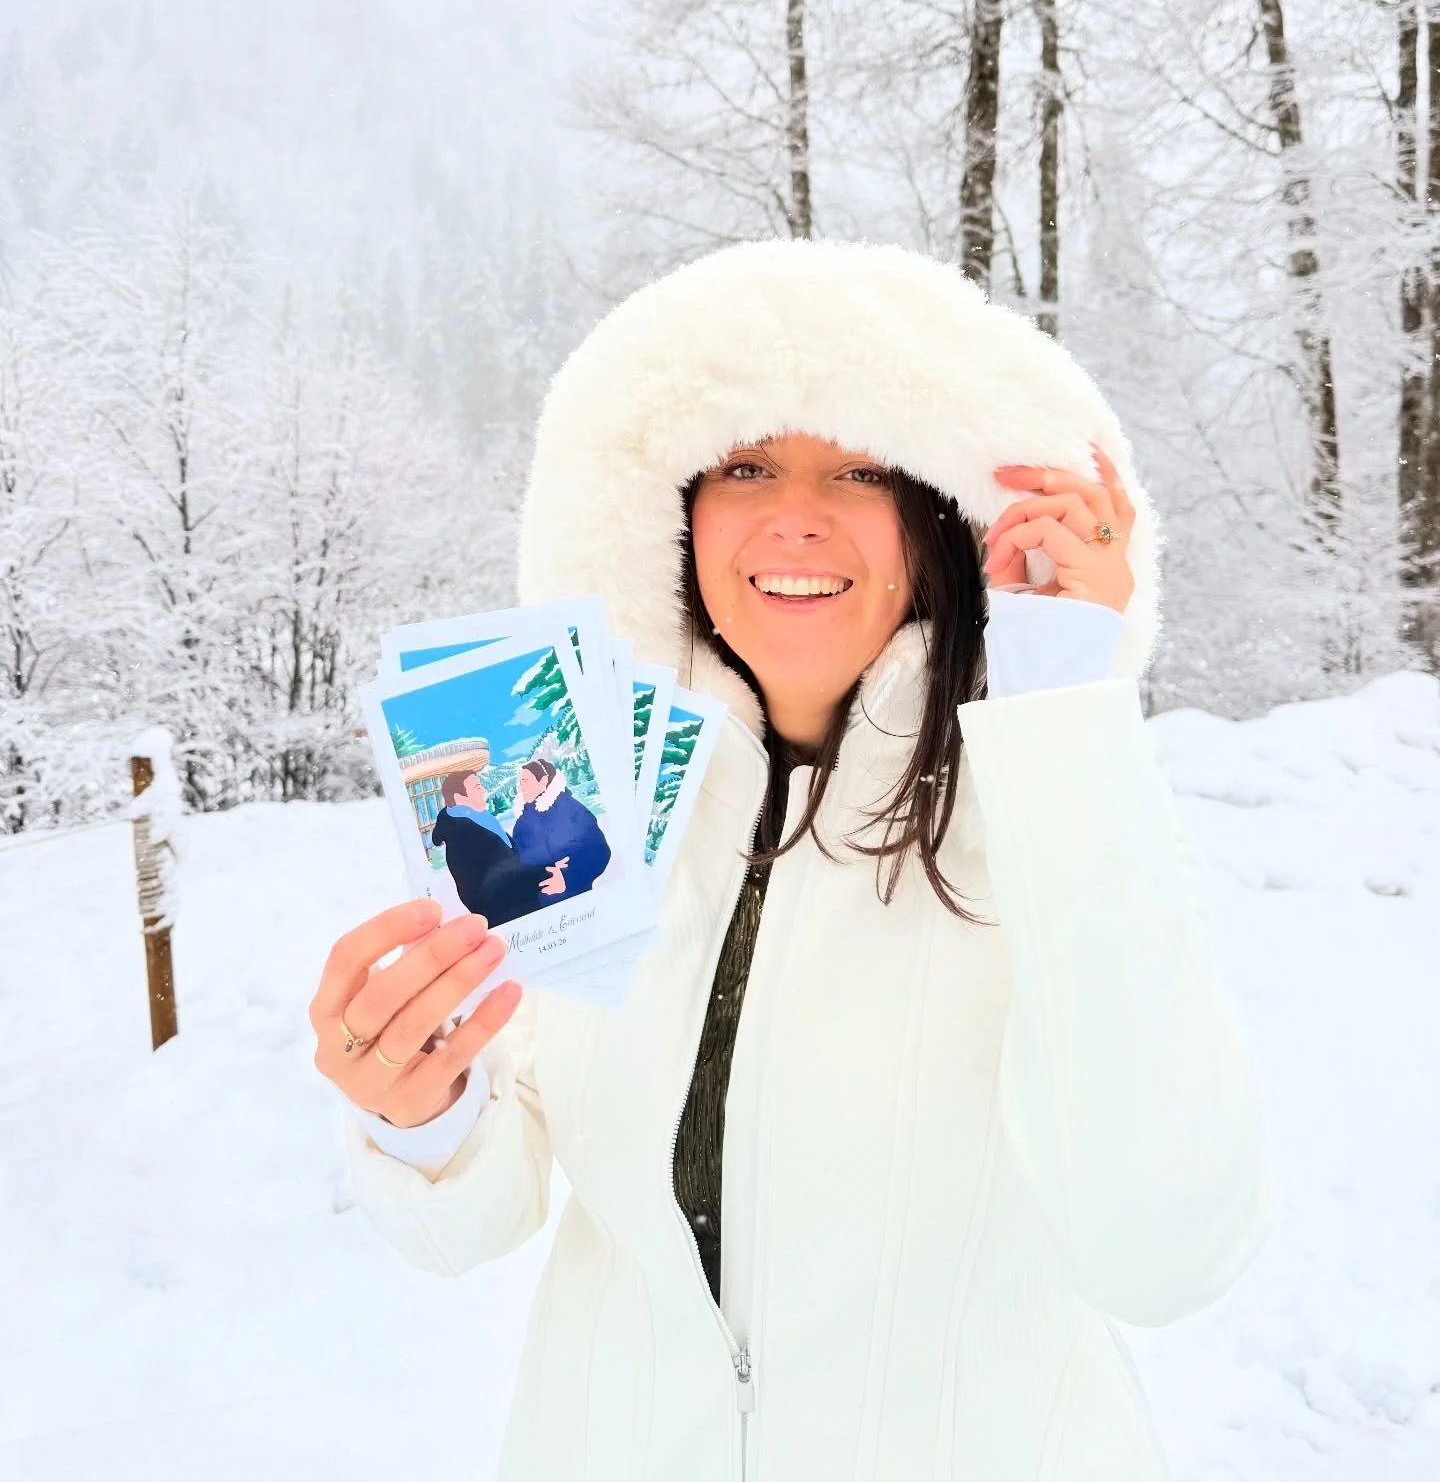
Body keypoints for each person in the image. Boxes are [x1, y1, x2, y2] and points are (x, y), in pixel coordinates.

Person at [310, 239, 1275, 1481]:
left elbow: (1165, 1250)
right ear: (676, 511)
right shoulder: (582, 797)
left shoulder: (1050, 812)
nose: (794, 515)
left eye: (864, 468)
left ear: (940, 518)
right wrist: (422, 1114)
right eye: (747, 462)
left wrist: (1062, 721)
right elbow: (486, 1213)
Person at [429, 769, 557, 927]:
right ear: (459, 798)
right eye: (477, 787)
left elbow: (511, 862)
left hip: (520, 905)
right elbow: (496, 882)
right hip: (509, 915)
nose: (483, 791)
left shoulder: (479, 820)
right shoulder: (463, 836)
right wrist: (547, 872)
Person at [508, 756, 612, 901]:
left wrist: (567, 877)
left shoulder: (572, 810)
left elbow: (599, 850)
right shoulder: (522, 822)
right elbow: (519, 860)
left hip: (576, 898)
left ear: (543, 781)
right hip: (536, 904)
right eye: (520, 782)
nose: (521, 787)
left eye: (525, 781)